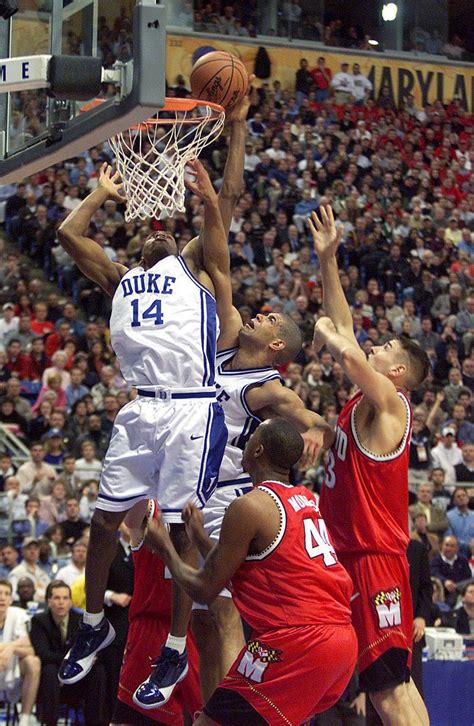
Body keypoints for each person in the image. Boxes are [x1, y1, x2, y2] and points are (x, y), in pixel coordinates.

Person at [157, 78, 333, 704]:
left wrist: (316, 429)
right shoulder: (227, 333)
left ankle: (219, 703)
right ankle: (200, 693)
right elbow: (222, 259)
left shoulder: (266, 387)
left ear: (280, 346)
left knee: (223, 616)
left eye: (270, 319)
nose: (257, 313)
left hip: (228, 494)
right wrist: (210, 194)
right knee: (210, 618)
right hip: (193, 484)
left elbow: (313, 418)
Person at [56, 159, 228, 693]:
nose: (157, 235)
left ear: (183, 249)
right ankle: (92, 625)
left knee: (179, 531)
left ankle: (176, 648)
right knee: (103, 523)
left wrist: (211, 201)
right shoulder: (121, 278)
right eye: (150, 235)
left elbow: (218, 228)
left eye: (169, 235)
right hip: (139, 411)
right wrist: (101, 192)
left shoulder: (198, 273)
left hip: (190, 409)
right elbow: (68, 233)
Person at [143, 418, 357, 725]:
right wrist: (201, 537)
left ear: (257, 451)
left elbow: (205, 588)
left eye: (252, 435)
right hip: (339, 640)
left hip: (298, 640)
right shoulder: (303, 498)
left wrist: (164, 546)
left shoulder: (250, 506)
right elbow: (245, 565)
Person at [309, 206, 430, 725]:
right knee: (382, 684)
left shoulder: (393, 404)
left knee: (388, 688)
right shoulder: (364, 398)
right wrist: (328, 260)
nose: (372, 346)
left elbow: (348, 350)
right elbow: (344, 329)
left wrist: (331, 339)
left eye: (384, 348)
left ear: (397, 370)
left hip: (375, 557)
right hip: (345, 556)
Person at [112, 500, 201, 726]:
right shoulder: (149, 507)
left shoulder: (210, 502)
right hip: (152, 631)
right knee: (135, 717)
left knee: (207, 715)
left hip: (197, 630)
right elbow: (131, 517)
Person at [29, 580, 107, 726]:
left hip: (79, 676)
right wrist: (72, 660)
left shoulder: (82, 621)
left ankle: (96, 722)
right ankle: (49, 722)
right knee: (49, 670)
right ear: (48, 600)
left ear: (71, 601)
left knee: (99, 671)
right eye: (57, 598)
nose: (61, 603)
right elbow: (43, 654)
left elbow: (95, 651)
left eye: (65, 598)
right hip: (53, 676)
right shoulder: (39, 621)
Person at [0, 579, 40, 726]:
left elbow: (30, 647)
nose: (2, 597)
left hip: (12, 670)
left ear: (11, 599)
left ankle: (25, 718)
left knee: (33, 662)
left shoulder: (19, 614)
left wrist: (11, 648)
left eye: (6, 594)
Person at [430, 535, 472, 608]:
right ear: (441, 546)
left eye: (452, 546)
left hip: (461, 592)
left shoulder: (463, 560)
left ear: (457, 548)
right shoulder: (435, 561)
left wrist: (457, 587)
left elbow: (468, 577)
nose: (448, 548)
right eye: (446, 545)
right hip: (443, 594)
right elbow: (434, 573)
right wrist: (445, 581)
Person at [446, 487, 474, 556]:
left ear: (468, 499)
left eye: (463, 495)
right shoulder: (448, 516)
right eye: (458, 497)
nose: (461, 498)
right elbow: (449, 537)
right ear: (454, 501)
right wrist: (467, 545)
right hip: (456, 553)